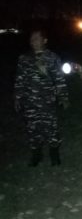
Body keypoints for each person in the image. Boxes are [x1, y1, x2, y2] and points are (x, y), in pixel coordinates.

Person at [14, 29, 69, 167]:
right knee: (33, 128)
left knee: (51, 127)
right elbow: (20, 80)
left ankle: (54, 154)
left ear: (45, 40)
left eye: (37, 38)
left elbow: (59, 79)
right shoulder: (24, 58)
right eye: (32, 39)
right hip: (30, 101)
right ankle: (36, 155)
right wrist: (18, 97)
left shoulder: (52, 57)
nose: (33, 41)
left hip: (47, 100)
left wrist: (63, 96)